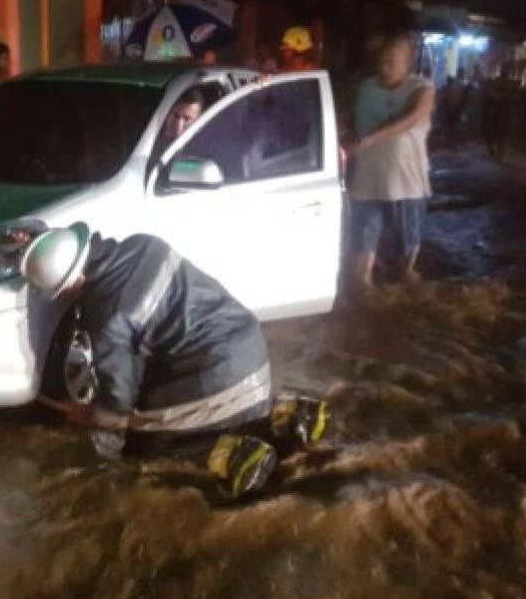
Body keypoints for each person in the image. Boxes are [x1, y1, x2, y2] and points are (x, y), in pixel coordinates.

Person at [22, 224, 330, 498]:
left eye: (64, 290)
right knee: (222, 412)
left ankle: (231, 457)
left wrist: (88, 416)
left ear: (77, 278)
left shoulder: (107, 320)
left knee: (144, 451)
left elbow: (117, 405)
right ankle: (288, 417)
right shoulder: (144, 245)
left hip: (215, 378)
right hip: (249, 348)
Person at [348, 32, 435, 291]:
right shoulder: (365, 88)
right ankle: (364, 288)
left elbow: (412, 117)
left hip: (406, 182)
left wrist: (371, 139)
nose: (384, 67)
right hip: (366, 177)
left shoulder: (421, 89)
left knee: (406, 239)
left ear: (407, 64)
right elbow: (352, 120)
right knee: (362, 237)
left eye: (391, 62)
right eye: (381, 61)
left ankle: (404, 276)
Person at [149, 86, 206, 162]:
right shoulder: (147, 139)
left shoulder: (200, 152)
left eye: (187, 119)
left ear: (197, 121)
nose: (179, 125)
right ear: (167, 113)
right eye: (176, 116)